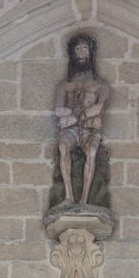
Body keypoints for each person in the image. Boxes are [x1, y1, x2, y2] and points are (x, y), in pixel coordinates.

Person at [51, 33, 111, 209]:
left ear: (91, 52)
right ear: (73, 54)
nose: (81, 52)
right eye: (77, 49)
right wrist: (73, 114)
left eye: (85, 48)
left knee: (92, 152)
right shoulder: (64, 85)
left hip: (89, 129)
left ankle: (84, 199)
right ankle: (69, 196)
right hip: (71, 129)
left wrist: (75, 117)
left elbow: (100, 107)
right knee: (63, 146)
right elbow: (58, 109)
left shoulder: (101, 85)